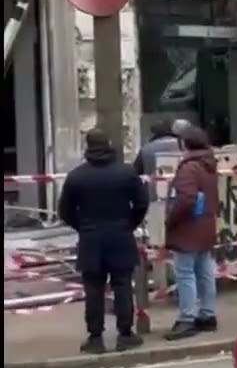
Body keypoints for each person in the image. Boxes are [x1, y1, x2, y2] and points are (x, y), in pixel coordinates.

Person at [58, 128, 149, 354]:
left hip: (91, 239)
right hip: (120, 235)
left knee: (93, 289)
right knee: (122, 285)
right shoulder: (126, 173)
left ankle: (95, 337)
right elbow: (141, 203)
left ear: (87, 146)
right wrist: (129, 224)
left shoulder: (76, 176)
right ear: (109, 144)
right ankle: (125, 334)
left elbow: (64, 211)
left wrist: (83, 226)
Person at [163, 127, 222, 341]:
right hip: (205, 226)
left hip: (188, 228)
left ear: (185, 145)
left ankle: (187, 318)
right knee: (205, 271)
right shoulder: (209, 164)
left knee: (185, 272)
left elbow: (186, 199)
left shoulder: (189, 167)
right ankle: (207, 313)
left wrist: (171, 220)